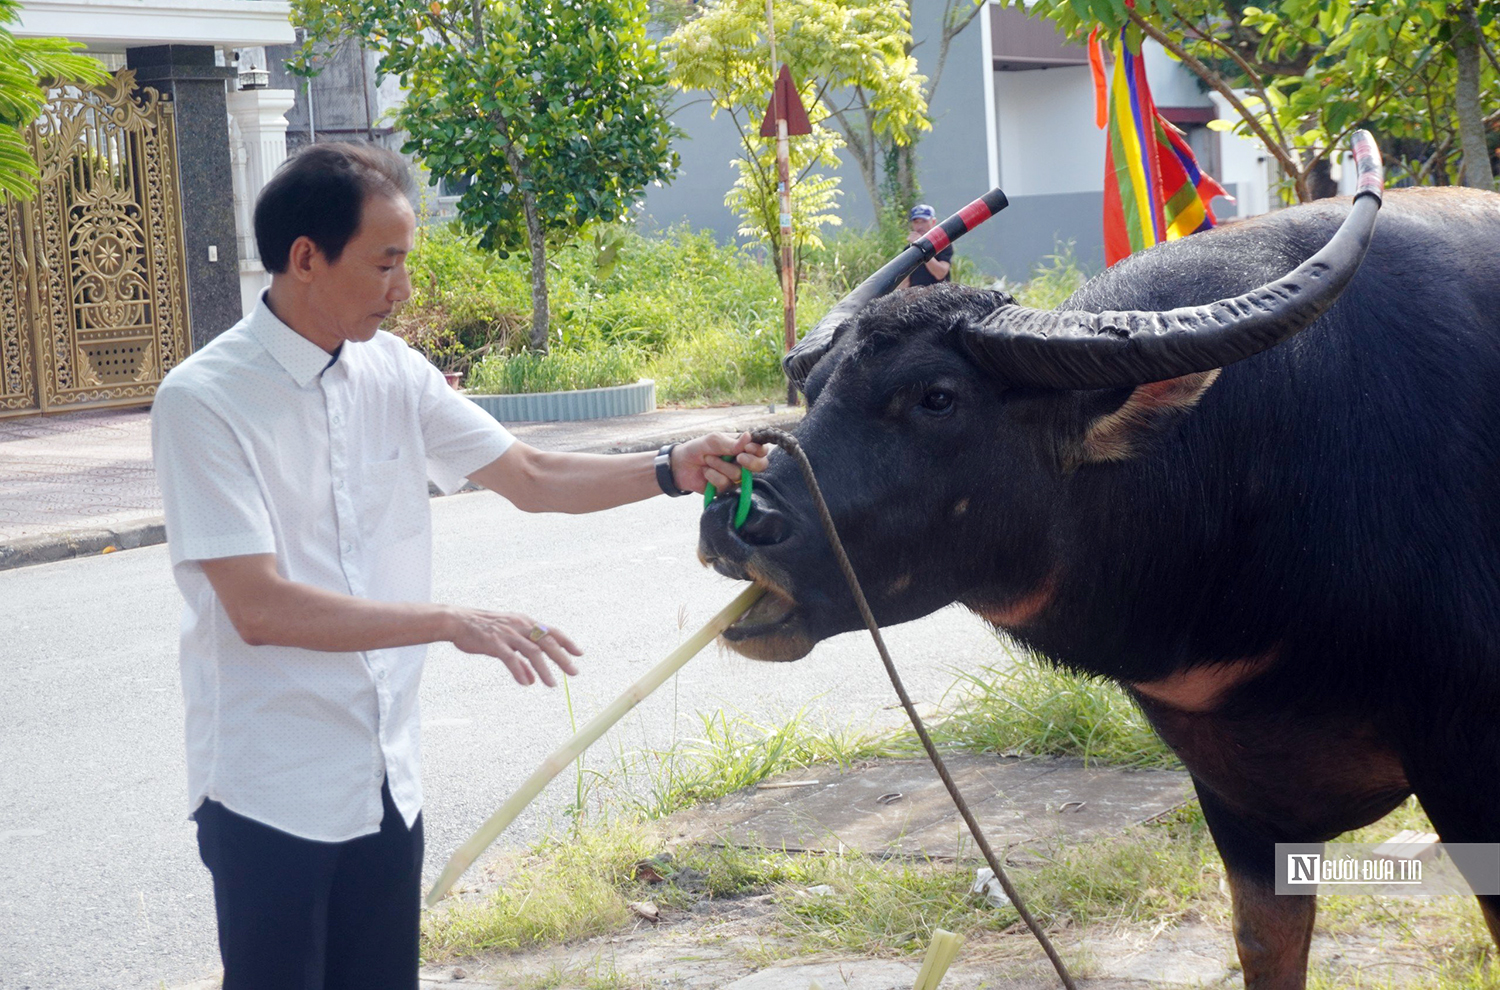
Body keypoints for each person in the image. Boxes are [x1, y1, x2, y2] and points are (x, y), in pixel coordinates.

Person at [149, 142, 769, 990]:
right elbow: (260, 609)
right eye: (385, 263)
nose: (403, 290)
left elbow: (532, 476)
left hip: (384, 783)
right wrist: (451, 621)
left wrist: (671, 466)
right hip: (270, 789)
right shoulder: (204, 400)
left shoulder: (395, 373)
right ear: (305, 258)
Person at [897, 203, 952, 288]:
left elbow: (940, 274)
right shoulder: (909, 249)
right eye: (916, 222)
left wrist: (921, 248)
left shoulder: (943, 245)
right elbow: (904, 282)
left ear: (933, 222)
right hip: (915, 296)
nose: (920, 226)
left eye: (924, 221)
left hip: (939, 295)